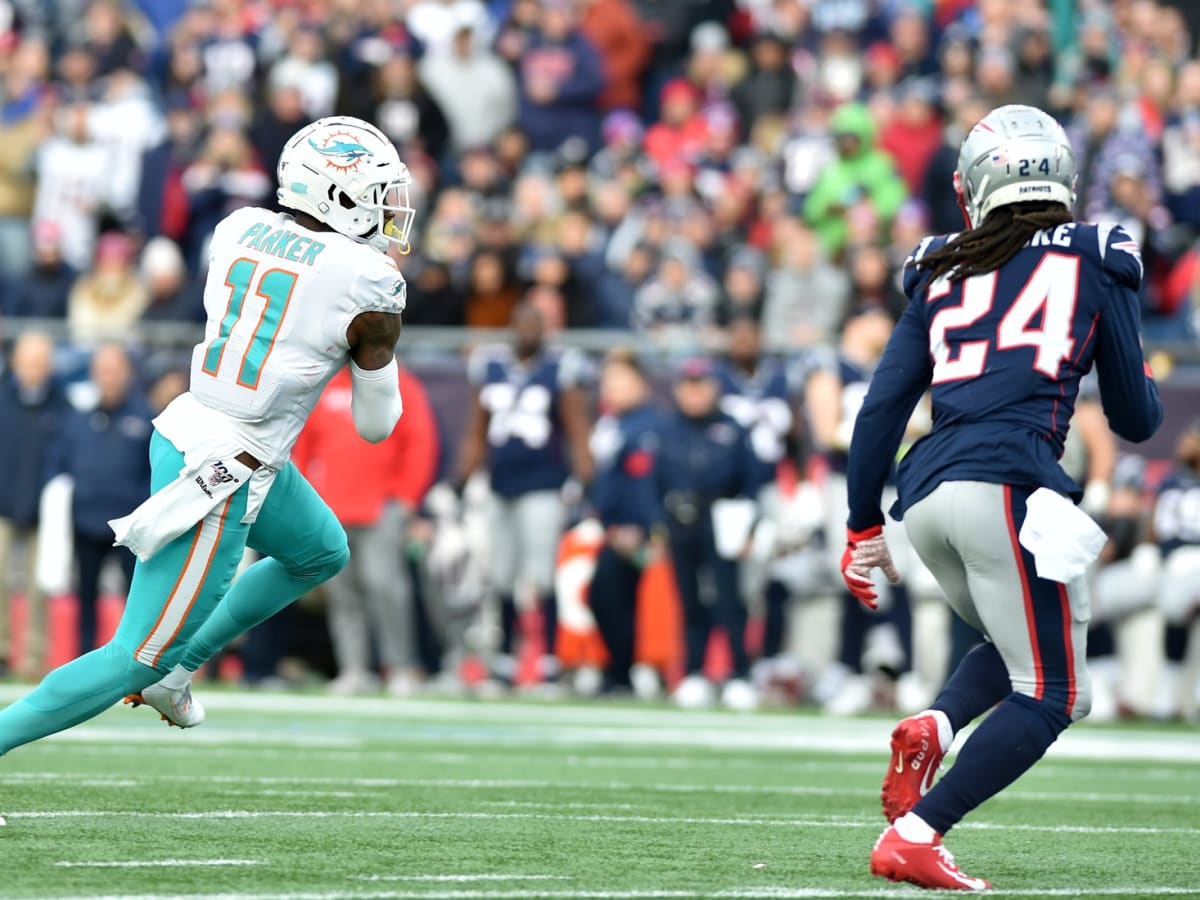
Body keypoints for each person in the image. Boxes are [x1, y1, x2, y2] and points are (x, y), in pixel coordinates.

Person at [0, 117, 413, 795]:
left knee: (319, 549)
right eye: (379, 191)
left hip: (194, 424)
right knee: (132, 656)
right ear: (340, 194)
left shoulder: (239, 226)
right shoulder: (368, 280)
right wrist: (376, 343)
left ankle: (178, 667)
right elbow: (376, 423)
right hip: (226, 470)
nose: (391, 207)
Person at [843, 105, 1162, 889]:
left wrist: (860, 526)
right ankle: (920, 832)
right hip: (1007, 484)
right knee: (1055, 694)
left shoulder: (940, 266)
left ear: (976, 184)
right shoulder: (1096, 253)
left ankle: (938, 724)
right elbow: (1135, 417)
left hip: (926, 499)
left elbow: (882, 408)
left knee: (1023, 643)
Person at [455, 300, 594, 687]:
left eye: (537, 324)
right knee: (499, 577)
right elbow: (476, 429)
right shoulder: (491, 366)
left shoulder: (560, 369)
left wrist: (584, 477)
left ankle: (549, 662)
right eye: (523, 322)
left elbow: (577, 428)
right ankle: (503, 663)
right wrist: (462, 477)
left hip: (543, 485)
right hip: (500, 485)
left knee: (542, 577)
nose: (529, 330)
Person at [293, 362, 440, 696]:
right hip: (330, 507)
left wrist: (406, 497)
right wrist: (305, 498)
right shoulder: (324, 385)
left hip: (381, 507)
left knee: (385, 587)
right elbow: (301, 445)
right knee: (342, 594)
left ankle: (400, 667)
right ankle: (354, 668)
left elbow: (420, 442)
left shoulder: (402, 384)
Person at [658, 357, 758, 712]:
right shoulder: (666, 430)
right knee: (688, 600)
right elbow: (653, 482)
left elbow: (751, 482)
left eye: (701, 386)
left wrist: (749, 526)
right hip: (680, 520)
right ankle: (694, 672)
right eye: (688, 386)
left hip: (723, 517)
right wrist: (657, 524)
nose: (695, 394)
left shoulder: (731, 429)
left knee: (729, 600)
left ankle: (738, 673)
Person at [47, 344, 152, 655]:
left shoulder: (147, 419)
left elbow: (155, 472)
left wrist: (139, 510)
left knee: (137, 599)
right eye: (102, 370)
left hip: (130, 530)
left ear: (128, 373)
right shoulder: (78, 420)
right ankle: (84, 660)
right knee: (85, 598)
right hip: (85, 524)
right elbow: (58, 463)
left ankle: (138, 659)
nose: (107, 377)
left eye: (113, 369)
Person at [586, 349, 664, 694]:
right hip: (613, 528)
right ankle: (619, 669)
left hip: (636, 532)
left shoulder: (649, 425)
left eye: (621, 380)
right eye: (608, 381)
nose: (612, 388)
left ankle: (634, 668)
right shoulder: (611, 422)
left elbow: (645, 482)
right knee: (606, 595)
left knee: (616, 595)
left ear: (641, 384)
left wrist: (641, 527)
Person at [0, 334, 64, 677]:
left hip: (45, 510)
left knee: (42, 584)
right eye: (28, 361)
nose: (33, 369)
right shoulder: (3, 399)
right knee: (0, 578)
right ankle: (2, 650)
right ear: (15, 362)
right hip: (4, 504)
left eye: (40, 362)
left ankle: (35, 656)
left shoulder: (61, 404)